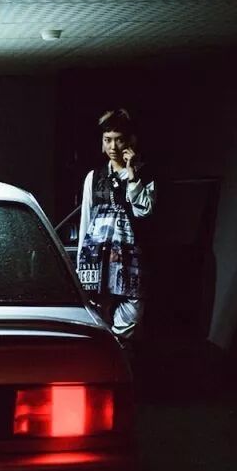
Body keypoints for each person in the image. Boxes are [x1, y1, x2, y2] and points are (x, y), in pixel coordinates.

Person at [76, 109, 155, 341]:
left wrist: (132, 175)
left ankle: (121, 352)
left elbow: (144, 211)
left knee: (131, 317)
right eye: (107, 140)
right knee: (98, 317)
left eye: (118, 140)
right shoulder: (94, 177)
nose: (112, 147)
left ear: (130, 141)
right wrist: (81, 263)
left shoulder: (143, 175)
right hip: (97, 258)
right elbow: (86, 221)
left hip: (130, 258)